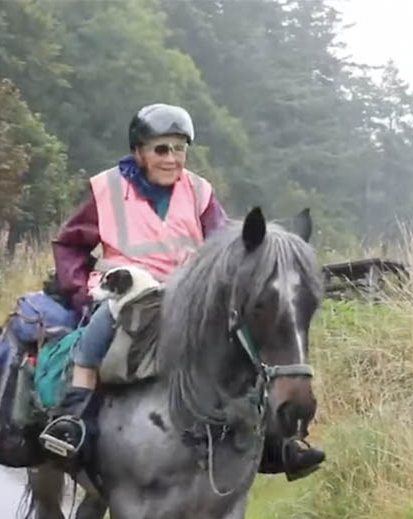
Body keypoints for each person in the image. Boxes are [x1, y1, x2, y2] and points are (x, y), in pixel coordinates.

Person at [40, 103, 324, 481]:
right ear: (139, 151)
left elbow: (226, 244)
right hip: (126, 294)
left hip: (185, 297)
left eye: (179, 149)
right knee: (98, 334)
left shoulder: (199, 191)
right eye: (161, 150)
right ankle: (71, 421)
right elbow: (69, 245)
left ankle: (277, 442)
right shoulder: (106, 190)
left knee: (244, 346)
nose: (172, 159)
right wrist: (81, 290)